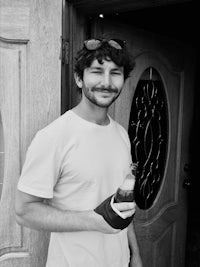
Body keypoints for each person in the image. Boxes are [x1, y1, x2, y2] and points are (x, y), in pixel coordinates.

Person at [15, 38, 143, 267]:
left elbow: (122, 202)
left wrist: (134, 254)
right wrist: (94, 221)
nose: (106, 82)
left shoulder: (122, 134)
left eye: (115, 73)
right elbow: (24, 211)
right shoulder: (54, 137)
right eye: (96, 71)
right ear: (79, 78)